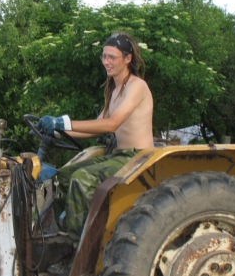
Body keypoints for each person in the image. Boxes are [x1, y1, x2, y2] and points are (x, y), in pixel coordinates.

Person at [37, 32, 154, 246]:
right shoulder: (114, 90)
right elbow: (96, 129)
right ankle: (66, 231)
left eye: (112, 57)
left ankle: (83, 248)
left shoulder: (137, 86)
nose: (106, 62)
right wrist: (55, 130)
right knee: (62, 175)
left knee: (82, 179)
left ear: (128, 59)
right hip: (118, 155)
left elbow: (111, 124)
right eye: (104, 57)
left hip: (138, 157)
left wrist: (64, 123)